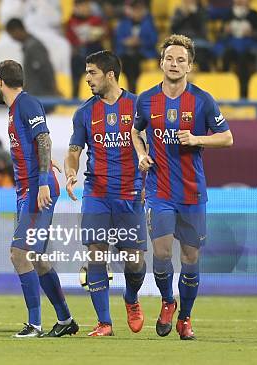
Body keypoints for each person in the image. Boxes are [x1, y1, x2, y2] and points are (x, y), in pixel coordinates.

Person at [132, 34, 233, 340]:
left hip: (192, 193)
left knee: (190, 258)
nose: (174, 64)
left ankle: (185, 318)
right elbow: (136, 132)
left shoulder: (202, 100)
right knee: (161, 255)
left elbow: (227, 137)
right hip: (160, 191)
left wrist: (198, 139)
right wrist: (141, 154)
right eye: (169, 59)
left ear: (190, 65)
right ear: (161, 62)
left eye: (181, 60)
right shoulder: (146, 99)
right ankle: (167, 301)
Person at [65, 50, 146, 337]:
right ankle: (104, 322)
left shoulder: (139, 106)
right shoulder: (84, 112)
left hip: (131, 193)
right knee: (96, 254)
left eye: (92, 73)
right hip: (96, 192)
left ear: (110, 74)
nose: (87, 78)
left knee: (134, 261)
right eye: (86, 73)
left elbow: (152, 150)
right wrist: (71, 172)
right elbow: (74, 152)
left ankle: (132, 298)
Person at [0, 60, 76, 338]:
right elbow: (36, 144)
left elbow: (44, 139)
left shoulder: (26, 104)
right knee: (37, 258)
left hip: (35, 190)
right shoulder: (17, 108)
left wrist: (42, 182)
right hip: (28, 190)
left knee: (19, 254)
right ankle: (65, 320)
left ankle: (35, 324)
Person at [5, 18, 58, 98]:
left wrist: (53, 91)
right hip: (36, 95)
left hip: (41, 96)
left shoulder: (34, 46)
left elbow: (45, 70)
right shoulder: (29, 45)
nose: (13, 38)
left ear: (17, 30)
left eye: (12, 34)